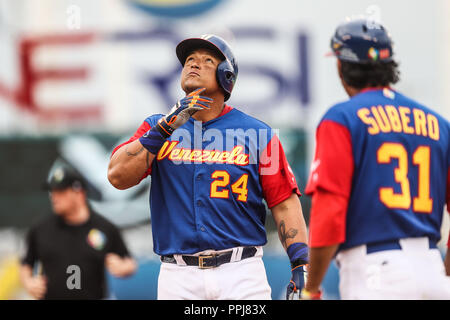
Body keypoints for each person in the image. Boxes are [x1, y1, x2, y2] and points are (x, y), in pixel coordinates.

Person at [108, 34, 309, 300]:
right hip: (177, 275)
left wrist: (300, 265)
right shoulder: (157, 127)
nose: (194, 64)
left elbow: (284, 203)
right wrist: (166, 126)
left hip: (242, 271)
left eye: (206, 60)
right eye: (189, 59)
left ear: (226, 76)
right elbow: (117, 176)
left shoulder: (258, 133)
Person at [303, 18, 450, 299]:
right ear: (389, 65)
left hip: (375, 271)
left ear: (341, 65)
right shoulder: (439, 124)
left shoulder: (342, 118)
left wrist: (311, 288)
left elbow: (329, 213)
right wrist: (442, 274)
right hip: (433, 270)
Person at [20, 159, 137, 300]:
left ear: (79, 193)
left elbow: (129, 263)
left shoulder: (104, 228)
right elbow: (26, 263)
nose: (54, 197)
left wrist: (122, 267)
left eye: (61, 191)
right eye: (52, 191)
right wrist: (29, 282)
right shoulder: (40, 229)